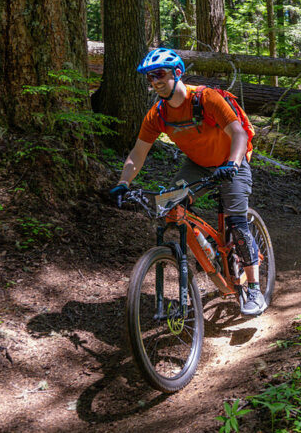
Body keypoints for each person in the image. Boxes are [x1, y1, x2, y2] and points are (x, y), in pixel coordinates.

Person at [109, 48, 266, 317]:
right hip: (197, 166)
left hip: (232, 161)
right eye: (150, 77)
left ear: (177, 73)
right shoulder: (158, 114)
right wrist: (123, 182)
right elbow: (138, 153)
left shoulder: (206, 98)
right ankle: (205, 255)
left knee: (238, 224)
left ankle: (253, 289)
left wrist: (232, 164)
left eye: (159, 74)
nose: (155, 81)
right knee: (171, 207)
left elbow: (239, 134)